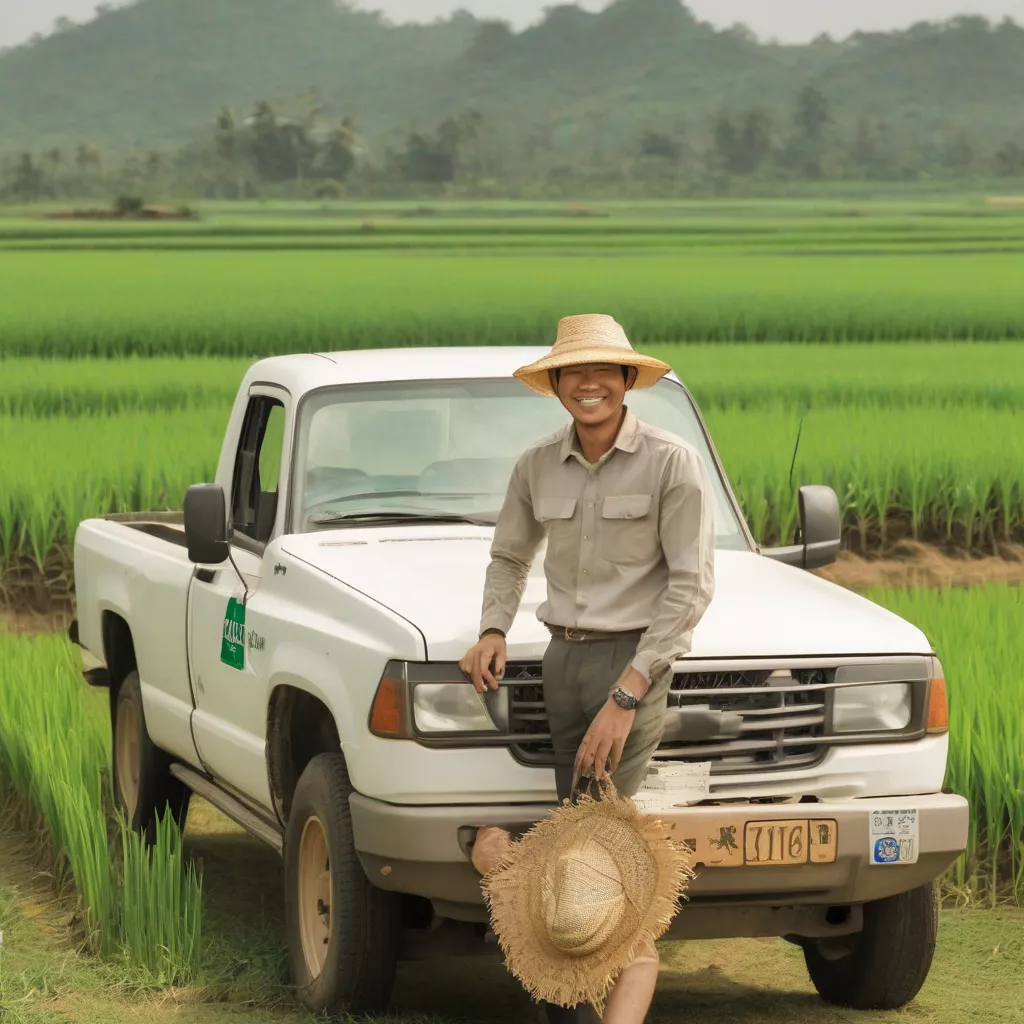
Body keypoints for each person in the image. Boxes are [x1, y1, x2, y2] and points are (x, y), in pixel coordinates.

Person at [459, 314, 717, 1024]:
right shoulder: (537, 464)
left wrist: (628, 693)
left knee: (599, 847)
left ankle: (502, 864)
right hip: (561, 659)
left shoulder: (670, 462)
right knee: (579, 834)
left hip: (630, 661)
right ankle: (560, 976)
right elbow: (510, 556)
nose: (590, 383)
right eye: (575, 372)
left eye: (604, 370)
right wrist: (491, 628)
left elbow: (690, 585)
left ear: (629, 379)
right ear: (558, 385)